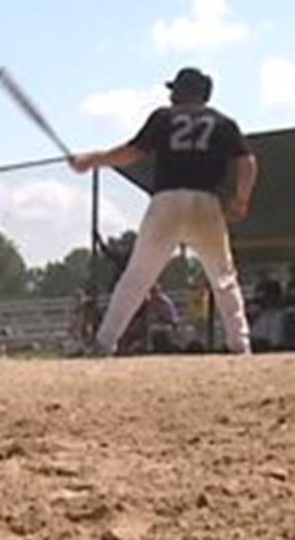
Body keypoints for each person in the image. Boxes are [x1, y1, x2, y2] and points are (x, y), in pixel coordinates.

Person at [69, 66, 258, 357]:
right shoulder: (223, 123)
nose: (171, 96)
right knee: (223, 277)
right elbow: (247, 162)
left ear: (185, 91)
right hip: (206, 203)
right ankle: (240, 344)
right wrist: (240, 200)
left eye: (175, 90)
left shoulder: (164, 117)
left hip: (167, 202)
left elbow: (131, 153)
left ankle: (104, 343)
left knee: (136, 277)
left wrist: (92, 160)